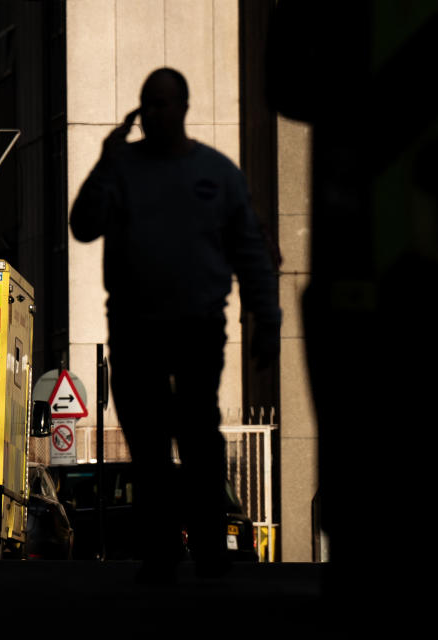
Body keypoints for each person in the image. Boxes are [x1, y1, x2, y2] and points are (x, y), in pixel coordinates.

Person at [69, 68, 280, 581]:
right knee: (147, 441)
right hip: (136, 326)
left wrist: (266, 318)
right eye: (150, 104)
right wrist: (105, 156)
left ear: (184, 107)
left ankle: (209, 549)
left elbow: (251, 251)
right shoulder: (121, 169)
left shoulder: (217, 174)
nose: (158, 114)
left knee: (199, 436)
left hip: (197, 326)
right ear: (140, 112)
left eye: (166, 103)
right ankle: (161, 550)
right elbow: (82, 226)